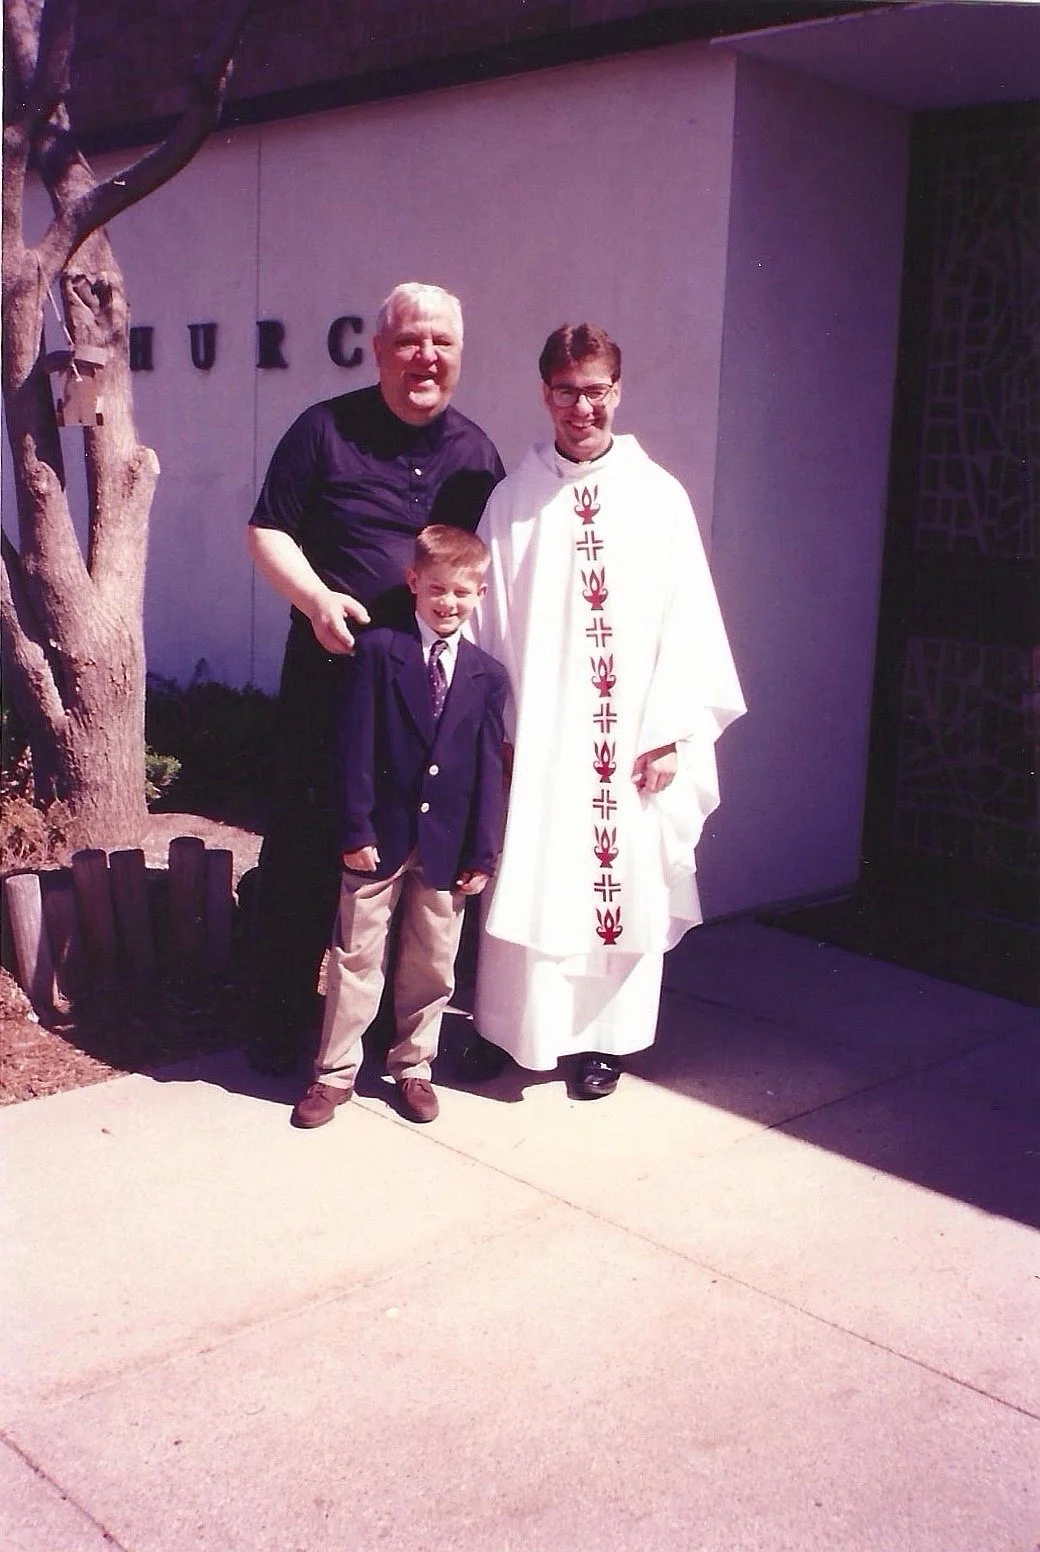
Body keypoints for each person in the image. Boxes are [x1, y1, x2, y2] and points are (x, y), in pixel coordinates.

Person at [468, 322, 746, 1099]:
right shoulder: (514, 501)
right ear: (544, 393)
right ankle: (509, 1029)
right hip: (539, 737)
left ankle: (605, 1043)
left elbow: (688, 621)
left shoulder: (658, 500)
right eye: (566, 391)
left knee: (615, 880)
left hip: (630, 741)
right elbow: (487, 632)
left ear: (616, 391)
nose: (581, 407)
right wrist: (497, 733)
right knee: (532, 872)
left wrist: (668, 736)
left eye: (595, 391)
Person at [246, 283, 504, 1074]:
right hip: (333, 678)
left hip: (424, 701)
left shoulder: (477, 454)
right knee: (304, 849)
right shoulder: (323, 430)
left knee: (417, 858)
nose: (426, 357)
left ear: (459, 355)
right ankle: (284, 1020)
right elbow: (267, 531)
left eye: (442, 344)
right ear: (379, 347)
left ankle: (400, 1041)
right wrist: (316, 597)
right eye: (410, 341)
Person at [290, 526, 508, 1127]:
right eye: (437, 587)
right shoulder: (379, 652)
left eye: (462, 592)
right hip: (378, 838)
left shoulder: (486, 676)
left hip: (445, 848)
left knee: (433, 962)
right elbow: (354, 747)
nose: (448, 602)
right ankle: (333, 1075)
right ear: (414, 582)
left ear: (480, 594)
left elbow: (490, 770)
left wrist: (483, 852)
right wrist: (355, 829)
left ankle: (414, 1067)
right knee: (357, 955)